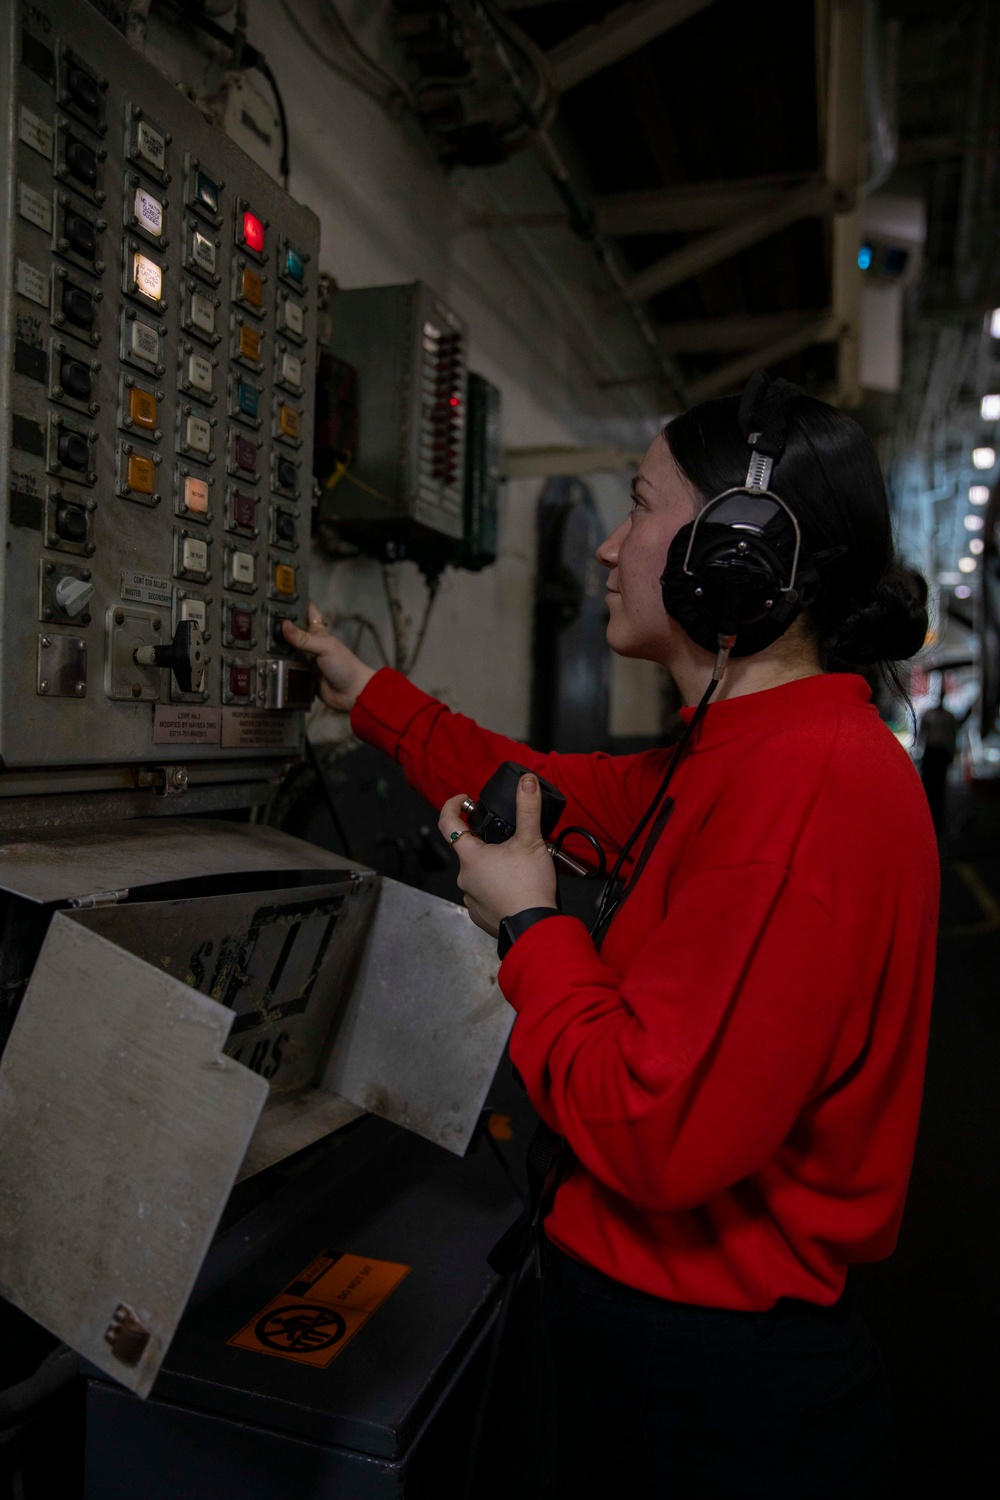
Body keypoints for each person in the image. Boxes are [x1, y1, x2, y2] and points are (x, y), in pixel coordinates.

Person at [283, 375, 938, 1499]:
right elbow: (539, 786)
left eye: (640, 507)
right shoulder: (752, 747)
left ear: (731, 554)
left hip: (715, 1394)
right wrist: (369, 694)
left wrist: (528, 923)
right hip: (673, 1349)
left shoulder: (803, 793)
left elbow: (652, 1128)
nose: (608, 548)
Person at [918, 679, 960, 830]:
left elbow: (952, 736)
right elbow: (922, 734)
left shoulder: (948, 717)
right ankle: (928, 817)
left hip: (939, 753)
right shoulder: (930, 715)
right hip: (931, 752)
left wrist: (952, 753)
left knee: (939, 787)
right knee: (929, 786)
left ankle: (937, 819)